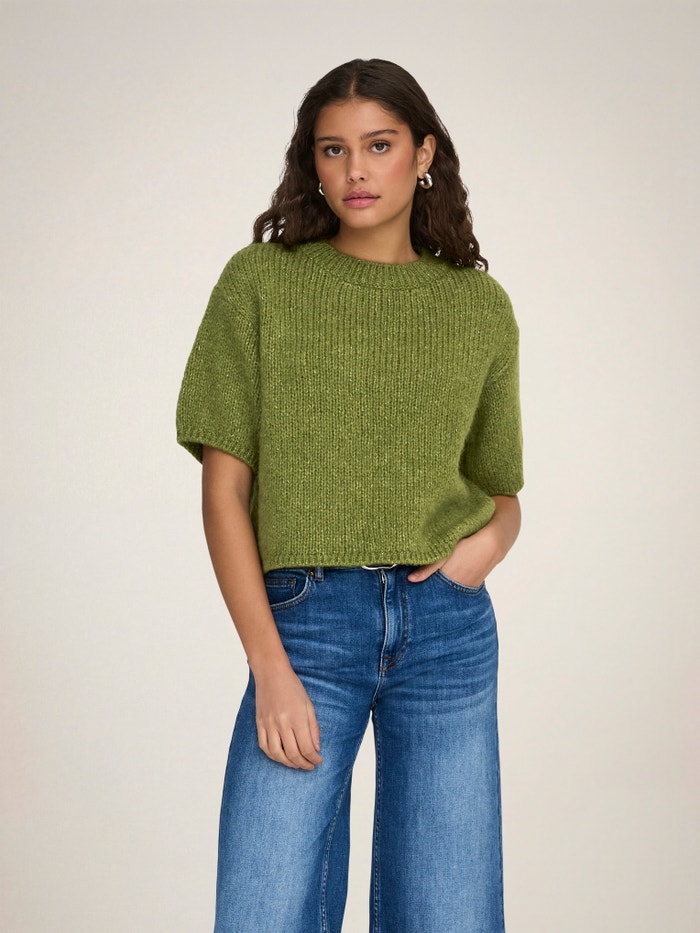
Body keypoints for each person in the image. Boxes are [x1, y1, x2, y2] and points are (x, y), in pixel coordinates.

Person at [176, 58, 523, 933]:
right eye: (333, 150)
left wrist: (484, 550)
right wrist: (268, 665)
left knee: (449, 913)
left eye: (379, 145)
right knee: (263, 910)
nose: (355, 170)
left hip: (446, 630)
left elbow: (499, 489)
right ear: (312, 162)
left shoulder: (478, 306)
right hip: (305, 625)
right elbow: (224, 492)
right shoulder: (261, 284)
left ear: (424, 154)